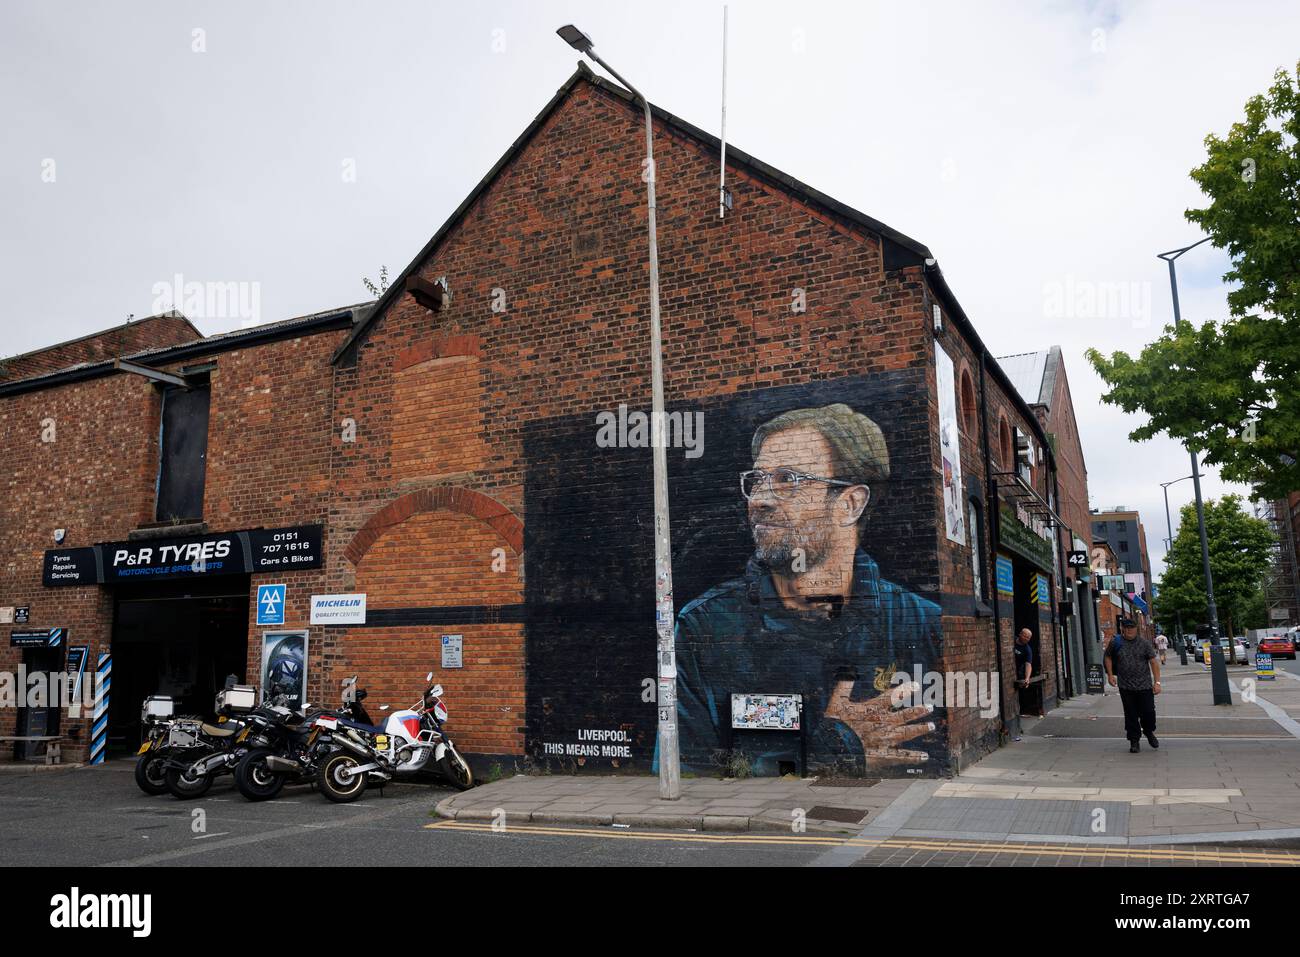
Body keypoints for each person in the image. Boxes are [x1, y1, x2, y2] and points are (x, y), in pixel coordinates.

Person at [669, 403, 941, 775]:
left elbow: (933, 755)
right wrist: (836, 749)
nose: (760, 500)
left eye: (788, 480)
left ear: (849, 504)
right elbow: (688, 773)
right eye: (757, 480)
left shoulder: (921, 624)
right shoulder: (704, 626)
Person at [1104, 617, 1161, 753]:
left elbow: (1153, 662)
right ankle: (1134, 741)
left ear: (1136, 628)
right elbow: (1108, 656)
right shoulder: (1116, 642)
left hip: (1145, 685)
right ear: (1122, 628)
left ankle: (1148, 731)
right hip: (1125, 686)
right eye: (1126, 628)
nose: (1129, 630)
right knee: (1131, 714)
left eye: (1132, 628)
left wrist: (1157, 682)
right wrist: (1110, 675)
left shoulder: (1144, 644)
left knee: (1148, 712)